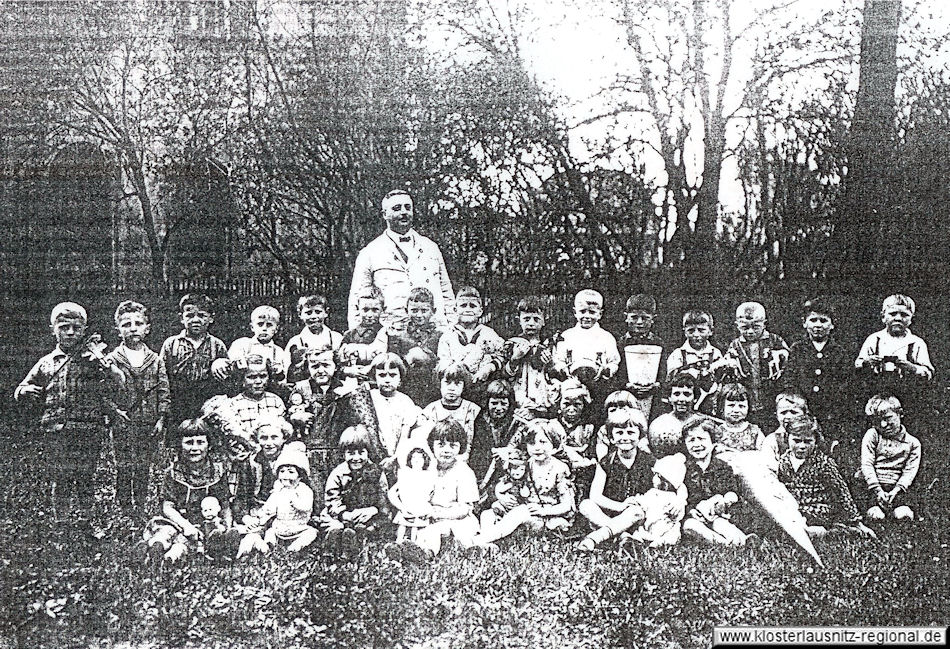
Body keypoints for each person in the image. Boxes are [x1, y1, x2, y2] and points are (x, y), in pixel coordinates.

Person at [15, 302, 126, 522]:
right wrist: (25, 391)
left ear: (85, 330)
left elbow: (119, 384)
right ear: (52, 329)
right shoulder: (46, 362)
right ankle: (61, 522)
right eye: (64, 327)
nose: (70, 332)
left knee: (85, 477)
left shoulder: (95, 361)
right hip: (55, 430)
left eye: (77, 328)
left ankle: (85, 521)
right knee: (61, 477)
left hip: (88, 429)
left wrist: (106, 365)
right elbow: (21, 388)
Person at [348, 189, 456, 329]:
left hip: (434, 330)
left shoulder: (431, 247)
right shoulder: (370, 252)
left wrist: (452, 328)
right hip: (391, 332)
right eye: (397, 208)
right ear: (385, 214)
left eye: (408, 207)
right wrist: (358, 337)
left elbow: (447, 292)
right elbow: (358, 299)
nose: (404, 212)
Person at [137, 419, 236, 564]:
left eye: (200, 442)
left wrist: (227, 527)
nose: (194, 448)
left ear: (209, 445)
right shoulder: (172, 473)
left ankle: (171, 557)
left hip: (207, 522)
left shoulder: (217, 472)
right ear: (179, 445)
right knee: (167, 532)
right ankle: (154, 549)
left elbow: (225, 505)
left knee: (201, 540)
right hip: (180, 521)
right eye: (189, 443)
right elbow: (167, 507)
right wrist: (185, 525)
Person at [106, 300, 170, 512]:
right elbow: (102, 391)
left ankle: (140, 503)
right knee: (123, 463)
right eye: (126, 324)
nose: (133, 328)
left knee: (143, 464)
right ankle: (124, 504)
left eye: (138, 323)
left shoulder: (156, 360)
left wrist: (161, 418)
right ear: (118, 330)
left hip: (148, 420)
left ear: (147, 328)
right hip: (123, 420)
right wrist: (114, 411)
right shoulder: (111, 360)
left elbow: (163, 390)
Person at [474, 419, 575, 545]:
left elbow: (567, 505)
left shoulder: (559, 469)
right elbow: (507, 481)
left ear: (554, 446)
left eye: (543, 442)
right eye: (532, 443)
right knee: (487, 514)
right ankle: (487, 544)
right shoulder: (526, 463)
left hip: (548, 517)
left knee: (520, 512)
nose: (537, 448)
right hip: (526, 509)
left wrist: (543, 511)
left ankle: (479, 540)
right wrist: (501, 495)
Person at [777, 415, 875, 539]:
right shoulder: (783, 462)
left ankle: (834, 532)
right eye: (796, 440)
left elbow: (841, 491)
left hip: (817, 510)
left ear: (816, 441)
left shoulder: (823, 463)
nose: (802, 446)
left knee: (810, 524)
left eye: (807, 441)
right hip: (794, 508)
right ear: (787, 439)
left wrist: (856, 521)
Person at [576, 408, 655, 551]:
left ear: (640, 436)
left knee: (635, 511)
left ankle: (595, 538)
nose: (625, 437)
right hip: (611, 511)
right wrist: (620, 506)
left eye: (631, 433)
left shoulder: (649, 461)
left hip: (637, 514)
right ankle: (621, 534)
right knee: (586, 505)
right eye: (619, 433)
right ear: (611, 438)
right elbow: (595, 496)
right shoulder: (606, 462)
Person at [405, 419, 480, 558]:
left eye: (452, 446)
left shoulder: (464, 471)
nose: (446, 450)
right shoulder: (427, 468)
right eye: (441, 444)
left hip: (457, 519)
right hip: (430, 517)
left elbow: (465, 508)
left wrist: (440, 514)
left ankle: (426, 554)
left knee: (447, 532)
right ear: (432, 445)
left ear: (460, 448)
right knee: (425, 532)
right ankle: (413, 552)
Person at [783, 298, 854, 440]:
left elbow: (847, 383)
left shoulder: (840, 352)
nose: (818, 325)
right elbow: (789, 379)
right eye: (813, 320)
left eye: (823, 320)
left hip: (832, 413)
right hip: (803, 411)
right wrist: (797, 401)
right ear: (804, 323)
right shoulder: (797, 349)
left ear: (832, 325)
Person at [854, 294, 933, 419]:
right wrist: (868, 362)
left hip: (907, 395)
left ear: (911, 318)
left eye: (904, 315)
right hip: (877, 393)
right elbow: (858, 364)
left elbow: (928, 372)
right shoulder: (874, 339)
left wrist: (911, 367)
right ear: (883, 317)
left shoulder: (916, 343)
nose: (898, 318)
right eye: (893, 314)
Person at [681, 418, 755, 546]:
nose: (697, 444)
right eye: (691, 440)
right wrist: (691, 511)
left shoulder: (721, 467)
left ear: (713, 442)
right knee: (690, 526)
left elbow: (732, 492)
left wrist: (723, 501)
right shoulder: (684, 469)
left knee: (721, 524)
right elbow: (682, 497)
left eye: (701, 439)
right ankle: (727, 544)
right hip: (695, 515)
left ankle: (742, 540)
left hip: (719, 514)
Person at [320, 425, 391, 557]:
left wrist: (374, 510)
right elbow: (332, 499)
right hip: (343, 515)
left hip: (367, 515)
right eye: (351, 453)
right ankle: (331, 553)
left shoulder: (376, 473)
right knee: (335, 526)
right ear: (344, 454)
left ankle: (355, 547)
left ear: (368, 452)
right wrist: (343, 514)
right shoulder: (338, 473)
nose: (356, 458)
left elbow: (383, 499)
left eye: (361, 453)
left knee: (372, 528)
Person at [159, 294, 229, 426]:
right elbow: (161, 376)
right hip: (178, 401)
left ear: (211, 318)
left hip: (206, 401)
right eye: (190, 316)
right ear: (181, 318)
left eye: (202, 315)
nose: (196, 320)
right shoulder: (171, 344)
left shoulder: (217, 345)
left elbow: (227, 379)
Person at [238, 441, 319, 556]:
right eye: (282, 471)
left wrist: (295, 502)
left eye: (291, 472)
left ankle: (294, 549)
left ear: (300, 476)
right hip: (279, 527)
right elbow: (269, 508)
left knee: (312, 533)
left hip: (298, 527)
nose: (285, 476)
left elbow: (306, 507)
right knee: (270, 532)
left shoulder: (304, 490)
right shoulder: (278, 490)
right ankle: (268, 548)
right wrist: (260, 517)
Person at [552, 289, 620, 414]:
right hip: (571, 386)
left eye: (592, 312)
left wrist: (607, 370)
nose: (587, 316)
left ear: (600, 314)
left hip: (598, 386)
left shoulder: (606, 337)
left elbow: (614, 361)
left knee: (595, 414)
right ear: (575, 312)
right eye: (582, 311)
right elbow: (558, 359)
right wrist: (562, 368)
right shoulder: (567, 336)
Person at [723, 302, 789, 428]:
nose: (750, 331)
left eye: (756, 327)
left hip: (771, 393)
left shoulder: (774, 340)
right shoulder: (735, 345)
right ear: (737, 326)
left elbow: (787, 357)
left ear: (764, 324)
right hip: (746, 396)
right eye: (745, 327)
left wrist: (779, 355)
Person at [859, 394, 921, 523]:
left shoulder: (913, 443)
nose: (883, 424)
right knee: (875, 516)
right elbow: (867, 464)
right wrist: (877, 490)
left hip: (899, 488)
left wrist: (896, 490)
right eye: (877, 420)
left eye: (887, 418)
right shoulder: (873, 435)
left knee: (903, 515)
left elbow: (910, 472)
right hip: (873, 486)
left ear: (900, 414)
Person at [378, 288, 443, 407]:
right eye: (414, 310)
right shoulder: (399, 336)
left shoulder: (439, 336)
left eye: (424, 310)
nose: (419, 315)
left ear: (433, 311)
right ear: (406, 310)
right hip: (407, 389)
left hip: (433, 390)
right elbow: (394, 363)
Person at [436, 286, 503, 400]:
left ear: (480, 311)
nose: (468, 309)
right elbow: (443, 361)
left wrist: (489, 367)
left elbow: (502, 355)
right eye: (463, 306)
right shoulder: (448, 335)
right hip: (455, 386)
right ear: (455, 310)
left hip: (482, 386)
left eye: (472, 306)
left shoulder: (488, 333)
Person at [365, 353, 422, 479]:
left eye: (392, 375)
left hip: (396, 456)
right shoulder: (369, 398)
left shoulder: (405, 401)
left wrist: (395, 457)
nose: (387, 379)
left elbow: (404, 435)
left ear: (400, 377)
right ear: (374, 377)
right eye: (381, 375)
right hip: (371, 457)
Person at [501, 296, 559, 417]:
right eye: (527, 319)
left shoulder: (549, 345)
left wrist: (549, 363)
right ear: (519, 320)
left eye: (536, 319)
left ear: (544, 321)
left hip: (541, 392)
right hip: (519, 391)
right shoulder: (512, 344)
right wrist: (515, 359)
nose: (531, 323)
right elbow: (504, 374)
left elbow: (555, 374)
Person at [618, 453, 688, 548]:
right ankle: (633, 541)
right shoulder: (653, 492)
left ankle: (657, 544)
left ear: (664, 481)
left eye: (656, 475)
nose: (653, 478)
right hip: (649, 526)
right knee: (640, 532)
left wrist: (675, 514)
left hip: (665, 528)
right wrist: (637, 500)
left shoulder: (674, 499)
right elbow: (643, 501)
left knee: (671, 535)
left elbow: (678, 514)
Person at [665, 310, 726, 414]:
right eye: (691, 330)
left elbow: (720, 379)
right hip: (685, 401)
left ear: (710, 331)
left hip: (710, 402)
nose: (696, 334)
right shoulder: (678, 354)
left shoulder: (715, 353)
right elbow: (671, 380)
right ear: (685, 331)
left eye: (701, 330)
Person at [614, 294, 666, 415]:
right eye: (634, 317)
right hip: (626, 395)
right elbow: (617, 372)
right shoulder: (620, 343)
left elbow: (663, 372)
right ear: (626, 317)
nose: (639, 322)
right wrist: (626, 385)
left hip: (653, 397)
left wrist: (656, 385)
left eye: (645, 318)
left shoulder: (658, 343)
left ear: (653, 318)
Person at [469, 380, 520, 499]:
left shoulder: (514, 423)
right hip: (482, 474)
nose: (498, 408)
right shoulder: (480, 421)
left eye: (503, 404)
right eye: (494, 403)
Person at [217, 305, 289, 387]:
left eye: (269, 325)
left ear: (276, 329)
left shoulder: (279, 352)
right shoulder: (241, 344)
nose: (264, 328)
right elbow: (230, 369)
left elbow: (284, 377)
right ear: (252, 327)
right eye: (260, 324)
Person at [421, 362, 481, 454]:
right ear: (439, 383)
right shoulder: (431, 410)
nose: (452, 388)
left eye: (457, 383)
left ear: (464, 385)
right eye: (447, 383)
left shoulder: (472, 410)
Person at [285, 295, 343, 385]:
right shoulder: (296, 342)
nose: (313, 316)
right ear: (300, 314)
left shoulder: (336, 338)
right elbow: (288, 370)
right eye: (308, 313)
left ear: (326, 312)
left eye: (318, 312)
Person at [389, 446, 436, 544]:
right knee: (402, 525)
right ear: (410, 460)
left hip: (420, 506)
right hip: (407, 505)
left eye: (420, 458)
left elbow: (432, 492)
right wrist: (401, 506)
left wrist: (428, 505)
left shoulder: (428, 476)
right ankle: (398, 543)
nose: (416, 460)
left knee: (416, 526)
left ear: (425, 460)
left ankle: (413, 544)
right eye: (414, 458)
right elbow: (393, 492)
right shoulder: (405, 474)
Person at [647, 374, 702, 457]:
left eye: (687, 394)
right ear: (669, 398)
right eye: (676, 394)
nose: (681, 399)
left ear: (695, 398)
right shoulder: (659, 425)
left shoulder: (702, 423)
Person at [339, 287, 385, 382]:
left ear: (383, 310)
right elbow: (339, 362)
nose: (369, 315)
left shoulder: (385, 334)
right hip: (353, 381)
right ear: (357, 308)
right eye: (365, 309)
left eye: (375, 310)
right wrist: (348, 370)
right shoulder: (349, 335)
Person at [761, 391, 810, 472]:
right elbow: (768, 467)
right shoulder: (771, 440)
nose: (788, 416)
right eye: (783, 413)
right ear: (776, 415)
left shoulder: (810, 437)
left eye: (794, 412)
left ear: (805, 414)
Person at [713, 383, 765, 453]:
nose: (736, 410)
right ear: (722, 407)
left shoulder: (755, 432)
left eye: (741, 406)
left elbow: (763, 455)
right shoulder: (716, 432)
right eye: (731, 405)